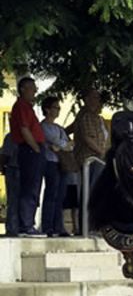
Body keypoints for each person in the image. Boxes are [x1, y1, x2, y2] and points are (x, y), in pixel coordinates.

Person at [10, 77, 46, 237]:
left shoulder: (27, 107)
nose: (35, 92)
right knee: (30, 187)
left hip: (32, 149)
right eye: (32, 88)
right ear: (23, 89)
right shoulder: (21, 106)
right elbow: (24, 130)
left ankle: (27, 223)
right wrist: (36, 148)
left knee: (34, 187)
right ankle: (26, 225)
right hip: (29, 150)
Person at [72, 88, 109, 234]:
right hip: (91, 159)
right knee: (90, 193)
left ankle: (94, 226)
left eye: (98, 98)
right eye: (94, 98)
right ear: (86, 99)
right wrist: (102, 153)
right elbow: (88, 138)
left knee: (97, 193)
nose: (98, 101)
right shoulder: (86, 116)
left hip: (99, 159)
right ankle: (87, 227)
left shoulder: (98, 118)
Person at [40, 97, 71, 237]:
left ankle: (59, 226)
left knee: (61, 195)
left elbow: (68, 144)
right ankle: (47, 226)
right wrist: (60, 145)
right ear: (47, 109)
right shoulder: (43, 126)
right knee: (51, 193)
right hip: (50, 162)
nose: (58, 110)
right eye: (55, 107)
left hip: (62, 163)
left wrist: (60, 146)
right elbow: (54, 142)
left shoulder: (59, 128)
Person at [0, 133, 20, 237]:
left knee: (13, 200)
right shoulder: (13, 136)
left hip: (13, 168)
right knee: (15, 200)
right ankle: (14, 227)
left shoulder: (11, 136)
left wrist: (2, 166)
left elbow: (4, 155)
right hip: (15, 168)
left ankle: (13, 227)